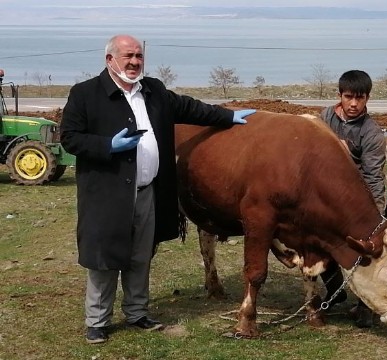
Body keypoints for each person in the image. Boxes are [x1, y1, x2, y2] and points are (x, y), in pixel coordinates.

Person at [60, 34, 255, 344]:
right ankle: (97, 321)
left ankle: (137, 313)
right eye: (128, 56)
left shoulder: (154, 91)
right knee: (105, 258)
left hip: (147, 190)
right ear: (110, 60)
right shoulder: (85, 94)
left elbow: (191, 109)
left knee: (141, 256)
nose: (135, 61)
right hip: (108, 195)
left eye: (139, 56)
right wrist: (107, 145)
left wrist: (228, 116)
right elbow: (69, 137)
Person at [318, 69, 387, 327]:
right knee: (321, 244)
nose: (354, 104)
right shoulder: (324, 118)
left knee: (364, 255)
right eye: (349, 97)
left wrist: (375, 220)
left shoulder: (371, 133)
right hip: (324, 197)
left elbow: (374, 177)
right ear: (340, 96)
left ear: (368, 98)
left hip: (356, 202)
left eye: (360, 98)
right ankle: (335, 289)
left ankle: (365, 306)